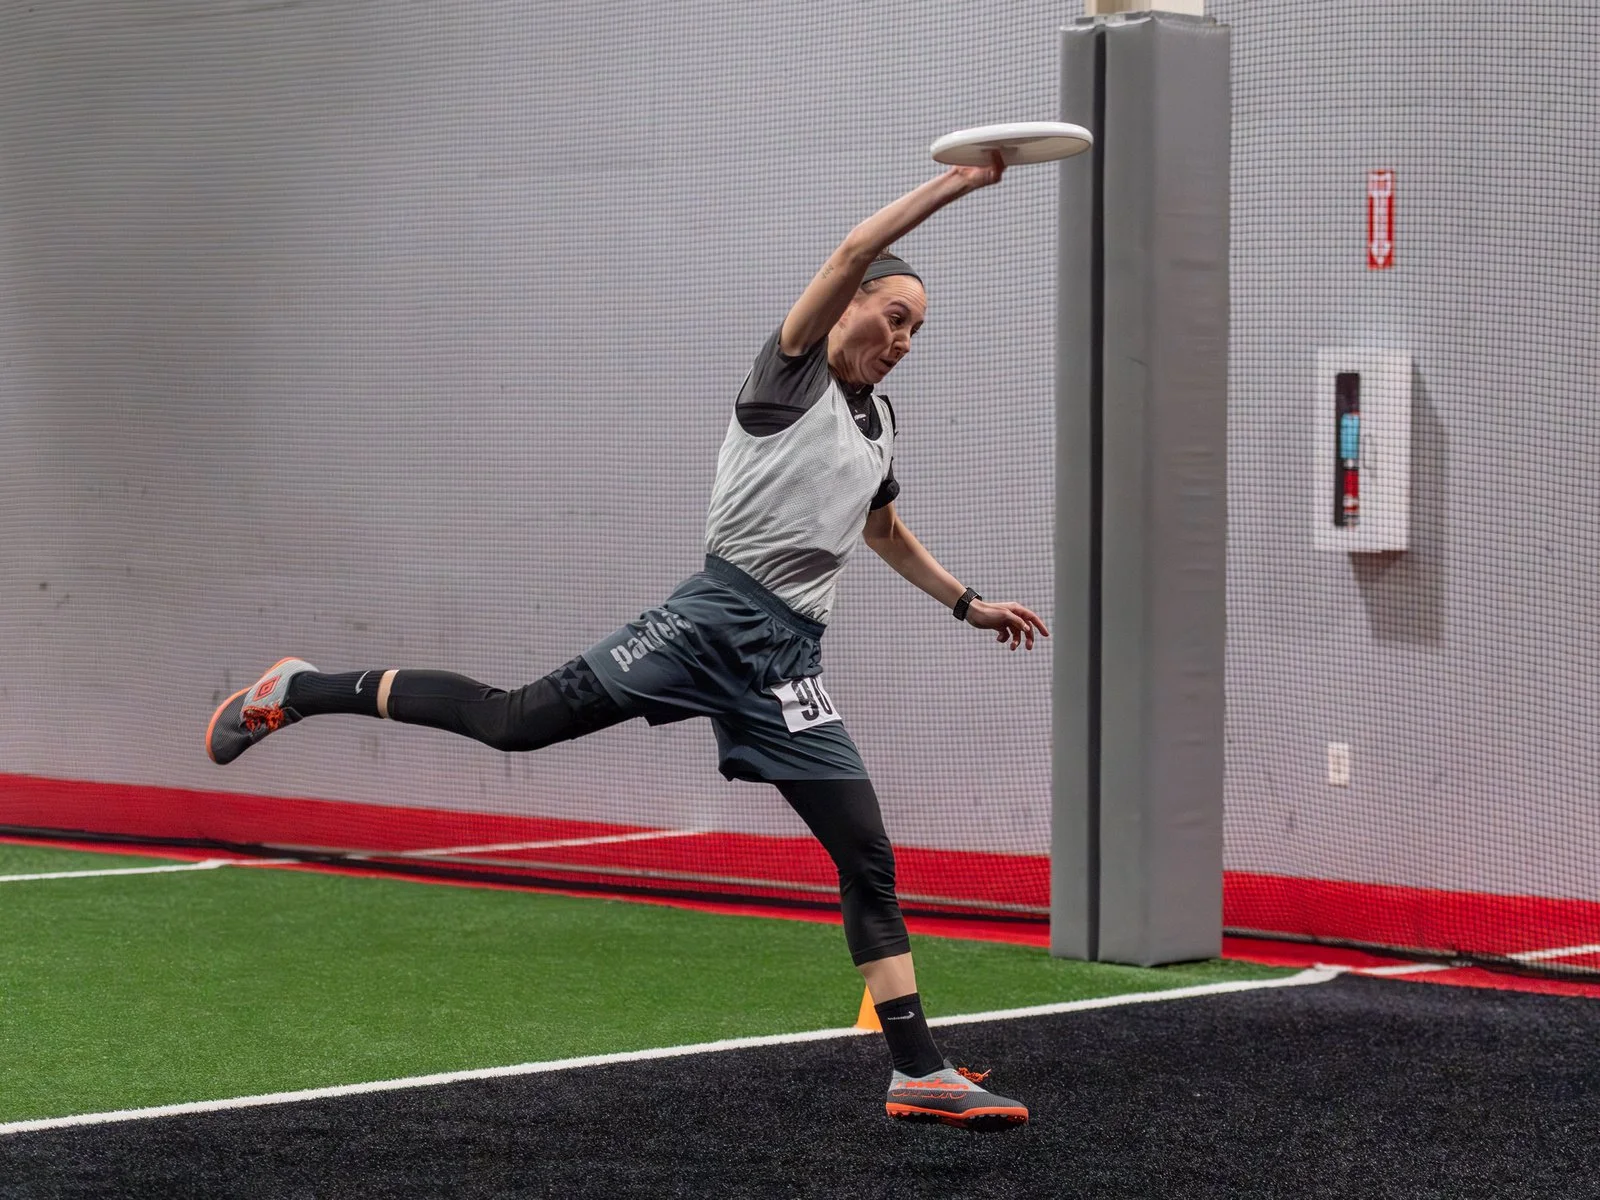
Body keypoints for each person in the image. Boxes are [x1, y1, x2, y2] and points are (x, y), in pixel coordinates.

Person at [206, 152, 1048, 1130]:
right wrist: (959, 184)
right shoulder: (787, 375)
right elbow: (854, 247)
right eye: (891, 316)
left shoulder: (879, 421)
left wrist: (966, 603)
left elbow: (882, 529)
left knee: (865, 852)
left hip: (786, 665)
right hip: (708, 625)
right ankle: (300, 689)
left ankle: (917, 1072)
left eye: (915, 330)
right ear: (847, 304)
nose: (901, 339)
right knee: (513, 722)